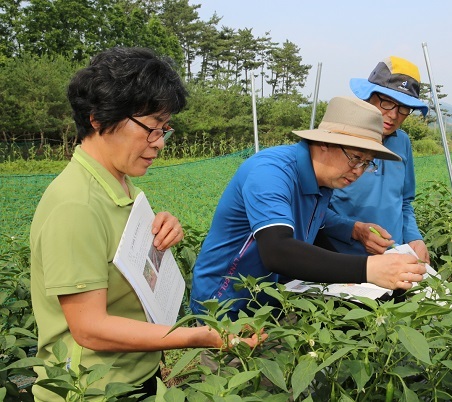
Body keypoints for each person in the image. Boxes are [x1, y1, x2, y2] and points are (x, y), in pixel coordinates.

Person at [30, 47, 264, 401]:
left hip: (135, 373)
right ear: (98, 118)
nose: (158, 144)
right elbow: (90, 329)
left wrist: (163, 226)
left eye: (164, 130)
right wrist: (195, 335)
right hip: (92, 389)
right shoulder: (75, 204)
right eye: (151, 129)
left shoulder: (120, 183)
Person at [189, 96, 427, 320]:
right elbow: (277, 250)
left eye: (367, 163)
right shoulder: (271, 172)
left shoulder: (324, 180)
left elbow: (318, 224)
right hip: (225, 307)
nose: (358, 171)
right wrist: (367, 269)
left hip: (273, 302)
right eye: (355, 158)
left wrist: (355, 232)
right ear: (325, 142)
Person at [324, 56, 431, 264]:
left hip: (393, 258)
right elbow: (314, 209)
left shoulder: (403, 143)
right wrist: (354, 230)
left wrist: (414, 236)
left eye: (403, 108)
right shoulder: (339, 139)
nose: (393, 115)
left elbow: (405, 201)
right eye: (387, 103)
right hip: (341, 261)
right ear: (368, 97)